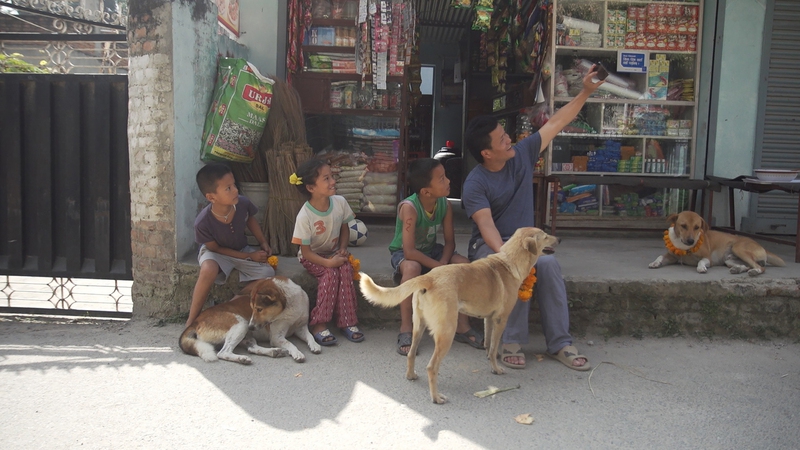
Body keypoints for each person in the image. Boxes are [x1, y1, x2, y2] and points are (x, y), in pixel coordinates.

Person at [461, 66, 604, 371]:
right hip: (491, 247)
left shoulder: (522, 153)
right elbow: (487, 229)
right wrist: (511, 257)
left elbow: (557, 121)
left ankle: (561, 343)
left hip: (529, 243)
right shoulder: (475, 183)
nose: (509, 139)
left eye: (505, 134)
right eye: (501, 140)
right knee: (513, 268)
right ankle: (510, 341)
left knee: (549, 265)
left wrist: (586, 92)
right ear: (486, 153)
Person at [388, 158, 483, 356]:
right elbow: (409, 252)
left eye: (445, 176)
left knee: (464, 265)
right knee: (413, 268)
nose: (448, 181)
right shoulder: (410, 208)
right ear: (426, 191)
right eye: (441, 179)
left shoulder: (444, 205)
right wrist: (439, 267)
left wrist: (443, 263)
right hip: (406, 253)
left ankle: (462, 326)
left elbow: (450, 243)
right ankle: (406, 328)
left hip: (432, 251)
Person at [186, 162, 274, 328]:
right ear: (211, 197)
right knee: (208, 269)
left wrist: (262, 242)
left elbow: (251, 220)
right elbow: (215, 249)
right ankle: (192, 319)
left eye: (234, 185)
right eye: (228, 188)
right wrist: (249, 256)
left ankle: (233, 301)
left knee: (268, 272)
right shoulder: (202, 222)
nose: (235, 190)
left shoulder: (242, 203)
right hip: (215, 253)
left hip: (240, 248)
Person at [290, 158, 364, 346]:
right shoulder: (305, 215)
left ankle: (347, 321)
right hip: (312, 256)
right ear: (311, 187)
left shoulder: (339, 202)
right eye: (326, 178)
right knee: (331, 274)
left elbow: (345, 227)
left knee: (346, 269)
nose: (333, 181)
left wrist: (343, 248)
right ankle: (319, 324)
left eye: (331, 176)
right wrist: (329, 263)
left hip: (332, 252)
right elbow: (305, 252)